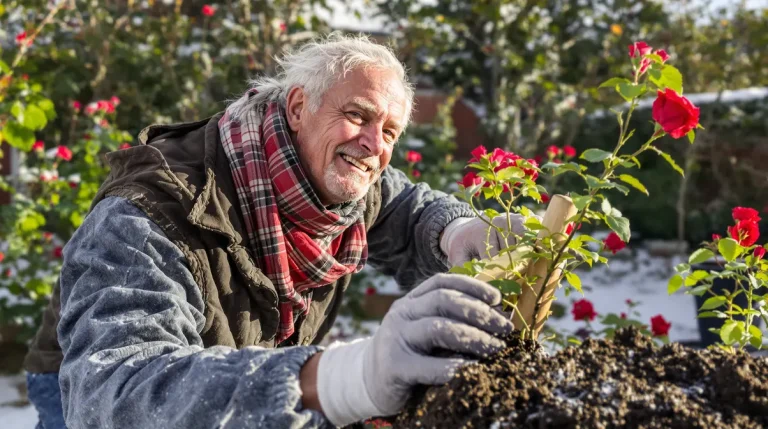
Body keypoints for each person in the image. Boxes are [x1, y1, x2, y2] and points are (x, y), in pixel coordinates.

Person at [23, 33, 526, 429]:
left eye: (390, 131)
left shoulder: (339, 178)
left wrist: (459, 232)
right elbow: (117, 394)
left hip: (240, 372)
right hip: (79, 386)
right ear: (298, 108)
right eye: (357, 115)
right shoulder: (151, 211)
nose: (374, 144)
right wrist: (340, 378)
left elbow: (405, 204)